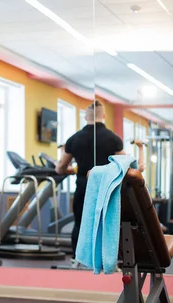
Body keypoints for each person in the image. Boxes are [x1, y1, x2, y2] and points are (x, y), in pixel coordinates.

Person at [55, 100, 124, 257]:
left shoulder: (74, 139)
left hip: (83, 187)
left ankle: (77, 259)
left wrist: (71, 168)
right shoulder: (113, 139)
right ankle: (104, 258)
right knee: (105, 224)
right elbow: (123, 165)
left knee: (80, 223)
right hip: (105, 187)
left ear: (85, 117)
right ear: (104, 116)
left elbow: (60, 168)